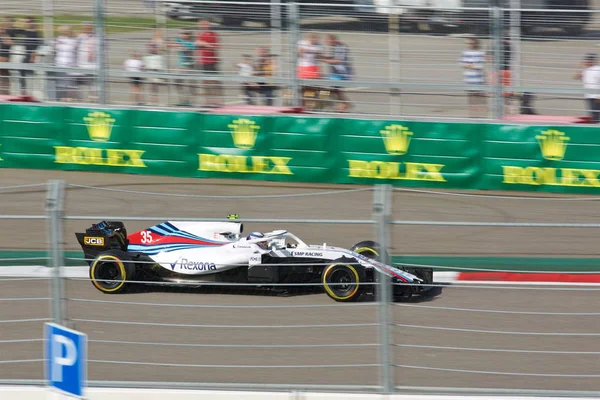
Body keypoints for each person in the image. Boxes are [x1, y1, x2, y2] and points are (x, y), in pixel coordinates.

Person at [195, 18, 221, 107]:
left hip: (211, 61)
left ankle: (217, 102)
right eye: (201, 25)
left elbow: (215, 47)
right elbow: (196, 45)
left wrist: (204, 44)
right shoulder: (200, 35)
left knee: (214, 82)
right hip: (203, 61)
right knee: (205, 82)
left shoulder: (213, 35)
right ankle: (208, 102)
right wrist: (201, 44)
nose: (202, 26)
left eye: (205, 25)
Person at [323, 34, 352, 112]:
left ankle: (343, 105)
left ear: (332, 40)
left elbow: (338, 60)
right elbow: (334, 58)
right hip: (335, 73)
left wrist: (325, 60)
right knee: (335, 90)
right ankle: (344, 105)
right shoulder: (335, 47)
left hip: (342, 73)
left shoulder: (340, 47)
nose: (325, 42)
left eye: (327, 40)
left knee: (332, 89)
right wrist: (325, 58)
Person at [14, 17, 42, 96]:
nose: (26, 24)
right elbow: (14, 30)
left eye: (28, 22)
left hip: (32, 56)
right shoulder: (25, 32)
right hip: (26, 55)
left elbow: (38, 45)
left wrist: (33, 56)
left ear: (33, 23)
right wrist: (20, 21)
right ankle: (24, 90)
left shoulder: (36, 33)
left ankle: (32, 92)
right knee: (22, 72)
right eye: (26, 22)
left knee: (31, 74)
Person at [461, 37, 486, 118]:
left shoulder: (480, 53)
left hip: (478, 79)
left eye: (471, 43)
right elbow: (462, 64)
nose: (469, 45)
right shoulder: (465, 52)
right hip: (468, 78)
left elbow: (481, 65)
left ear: (476, 43)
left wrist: (470, 65)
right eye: (468, 43)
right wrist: (471, 65)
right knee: (471, 97)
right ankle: (472, 116)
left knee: (479, 98)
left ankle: (480, 115)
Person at [169, 29, 196, 106]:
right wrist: (177, 45)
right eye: (181, 33)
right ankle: (182, 100)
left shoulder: (191, 43)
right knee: (177, 82)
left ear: (189, 35)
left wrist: (182, 47)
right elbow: (172, 44)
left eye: (185, 33)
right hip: (180, 65)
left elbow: (189, 49)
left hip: (188, 65)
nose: (183, 35)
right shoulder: (178, 40)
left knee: (188, 84)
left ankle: (189, 101)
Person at [54, 25, 78, 101]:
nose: (64, 32)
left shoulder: (74, 40)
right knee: (60, 82)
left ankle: (69, 97)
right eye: (63, 31)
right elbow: (55, 47)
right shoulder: (59, 38)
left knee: (70, 82)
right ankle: (61, 97)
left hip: (70, 63)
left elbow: (72, 48)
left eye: (66, 31)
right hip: (59, 63)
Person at [575, 53, 600, 123]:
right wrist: (580, 67)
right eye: (585, 60)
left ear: (592, 61)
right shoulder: (585, 70)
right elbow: (576, 77)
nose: (585, 62)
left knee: (597, 114)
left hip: (596, 96)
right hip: (588, 95)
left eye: (587, 60)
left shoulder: (598, 69)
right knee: (593, 114)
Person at [75, 24, 97, 102]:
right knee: (81, 81)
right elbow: (75, 47)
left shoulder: (96, 37)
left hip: (93, 63)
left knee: (92, 81)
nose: (87, 29)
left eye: (89, 28)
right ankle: (82, 98)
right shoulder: (80, 37)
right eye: (85, 28)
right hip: (82, 63)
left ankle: (92, 97)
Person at [142, 42, 166, 106]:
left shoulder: (159, 56)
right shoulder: (147, 56)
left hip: (156, 73)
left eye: (154, 47)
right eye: (151, 47)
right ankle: (152, 101)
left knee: (155, 88)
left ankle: (156, 102)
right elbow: (144, 65)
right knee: (151, 88)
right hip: (149, 73)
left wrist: (162, 75)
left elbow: (162, 65)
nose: (152, 49)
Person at [0, 17, 15, 95]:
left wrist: (4, 34)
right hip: (2, 59)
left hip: (5, 59)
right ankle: (3, 92)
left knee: (5, 76)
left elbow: (10, 43)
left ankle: (6, 92)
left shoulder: (7, 35)